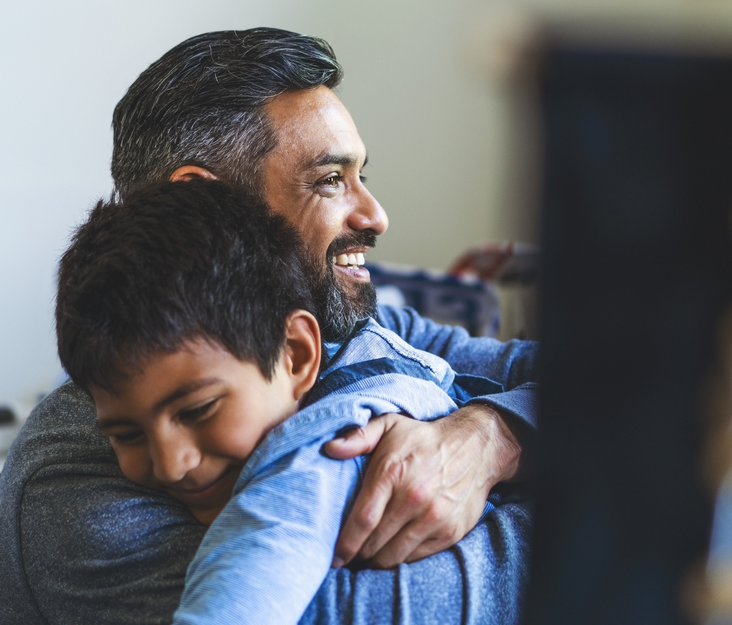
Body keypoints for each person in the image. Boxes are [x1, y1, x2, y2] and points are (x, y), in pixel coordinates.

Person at [0, 28, 538, 624]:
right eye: (329, 179)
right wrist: (616, 502)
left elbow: (622, 389)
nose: (374, 216)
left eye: (361, 177)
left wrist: (493, 435)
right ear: (208, 201)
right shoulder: (73, 485)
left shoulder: (346, 329)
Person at [56, 180, 512, 624]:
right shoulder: (61, 484)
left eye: (198, 410)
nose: (172, 464)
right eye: (126, 434)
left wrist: (499, 433)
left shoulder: (322, 449)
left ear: (297, 355)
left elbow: (258, 558)